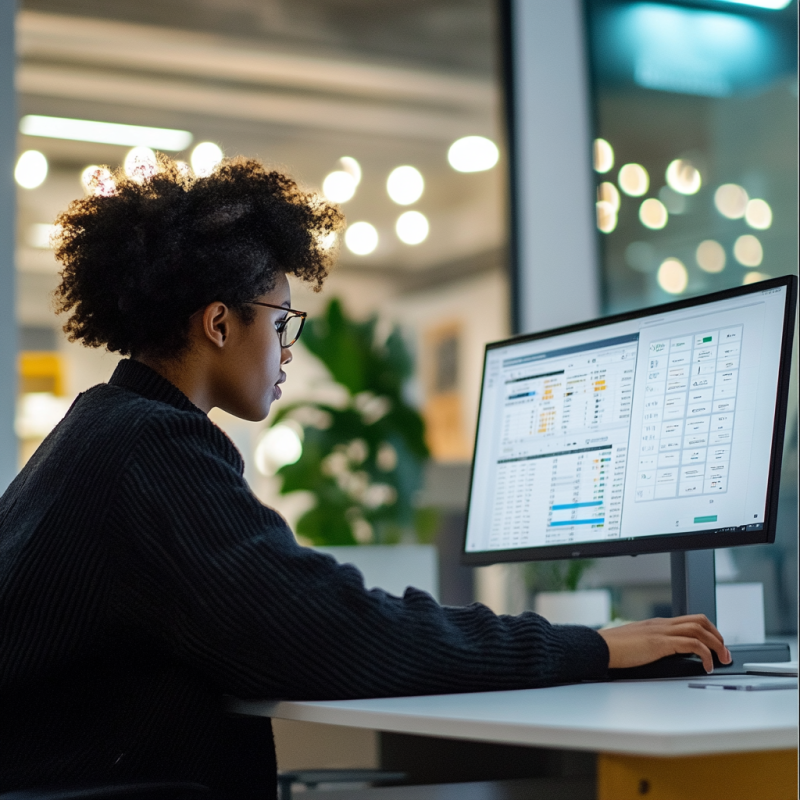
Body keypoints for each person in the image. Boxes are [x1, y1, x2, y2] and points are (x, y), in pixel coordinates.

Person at [0, 156, 730, 798]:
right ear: (219, 324)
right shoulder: (151, 447)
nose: (287, 351)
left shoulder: (100, 431)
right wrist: (592, 647)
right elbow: (331, 632)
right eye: (281, 321)